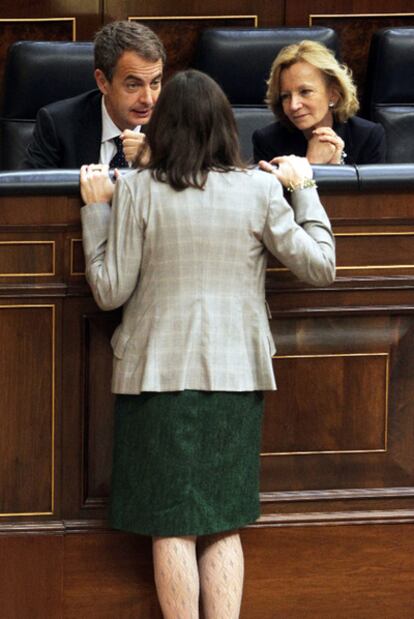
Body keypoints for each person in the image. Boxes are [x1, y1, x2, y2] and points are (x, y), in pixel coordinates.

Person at [80, 69, 335, 619]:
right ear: (227, 125)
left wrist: (97, 210)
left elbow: (108, 291)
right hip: (235, 374)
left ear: (164, 125)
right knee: (223, 520)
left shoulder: (137, 191)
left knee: (170, 524)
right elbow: (321, 266)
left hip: (154, 376)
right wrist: (304, 185)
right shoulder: (262, 189)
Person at [23, 20, 165, 169]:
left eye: (155, 83)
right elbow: (30, 189)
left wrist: (154, 167)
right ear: (103, 82)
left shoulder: (175, 128)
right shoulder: (59, 125)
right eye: (133, 85)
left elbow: (186, 186)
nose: (148, 100)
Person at [253, 40, 386, 166]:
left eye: (305, 91)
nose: (293, 105)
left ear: (333, 95)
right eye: (285, 96)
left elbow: (377, 190)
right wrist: (312, 163)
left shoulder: (367, 137)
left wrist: (336, 171)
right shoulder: (267, 142)